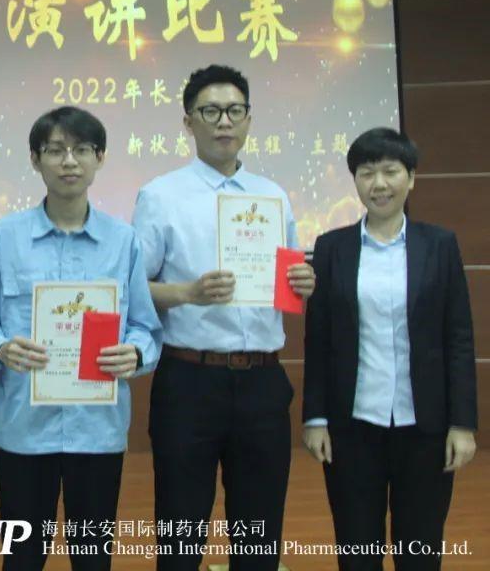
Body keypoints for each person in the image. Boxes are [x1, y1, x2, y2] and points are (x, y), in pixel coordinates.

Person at [131, 65, 316, 571]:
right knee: (181, 531)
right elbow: (131, 291)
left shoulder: (272, 195)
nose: (224, 122)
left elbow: (286, 284)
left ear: (249, 119)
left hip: (262, 381)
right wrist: (187, 293)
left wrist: (301, 284)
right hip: (190, 380)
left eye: (234, 111)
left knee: (259, 534)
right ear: (188, 122)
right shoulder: (160, 195)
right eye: (210, 111)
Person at [0, 106, 163, 570]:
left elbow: (146, 327)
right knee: (22, 557)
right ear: (35, 160)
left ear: (100, 158)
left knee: (92, 557)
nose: (69, 161)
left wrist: (135, 353)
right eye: (55, 150)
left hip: (97, 431)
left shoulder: (123, 241)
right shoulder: (3, 237)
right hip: (23, 430)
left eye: (81, 150)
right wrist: (1, 348)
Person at [302, 127, 477, 570]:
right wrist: (315, 417)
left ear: (411, 178)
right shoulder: (331, 248)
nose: (378, 184)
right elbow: (318, 339)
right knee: (357, 548)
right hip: (353, 426)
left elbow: (458, 337)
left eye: (390, 171)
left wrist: (462, 424)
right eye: (366, 173)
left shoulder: (439, 245)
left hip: (425, 427)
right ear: (355, 182)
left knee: (420, 549)